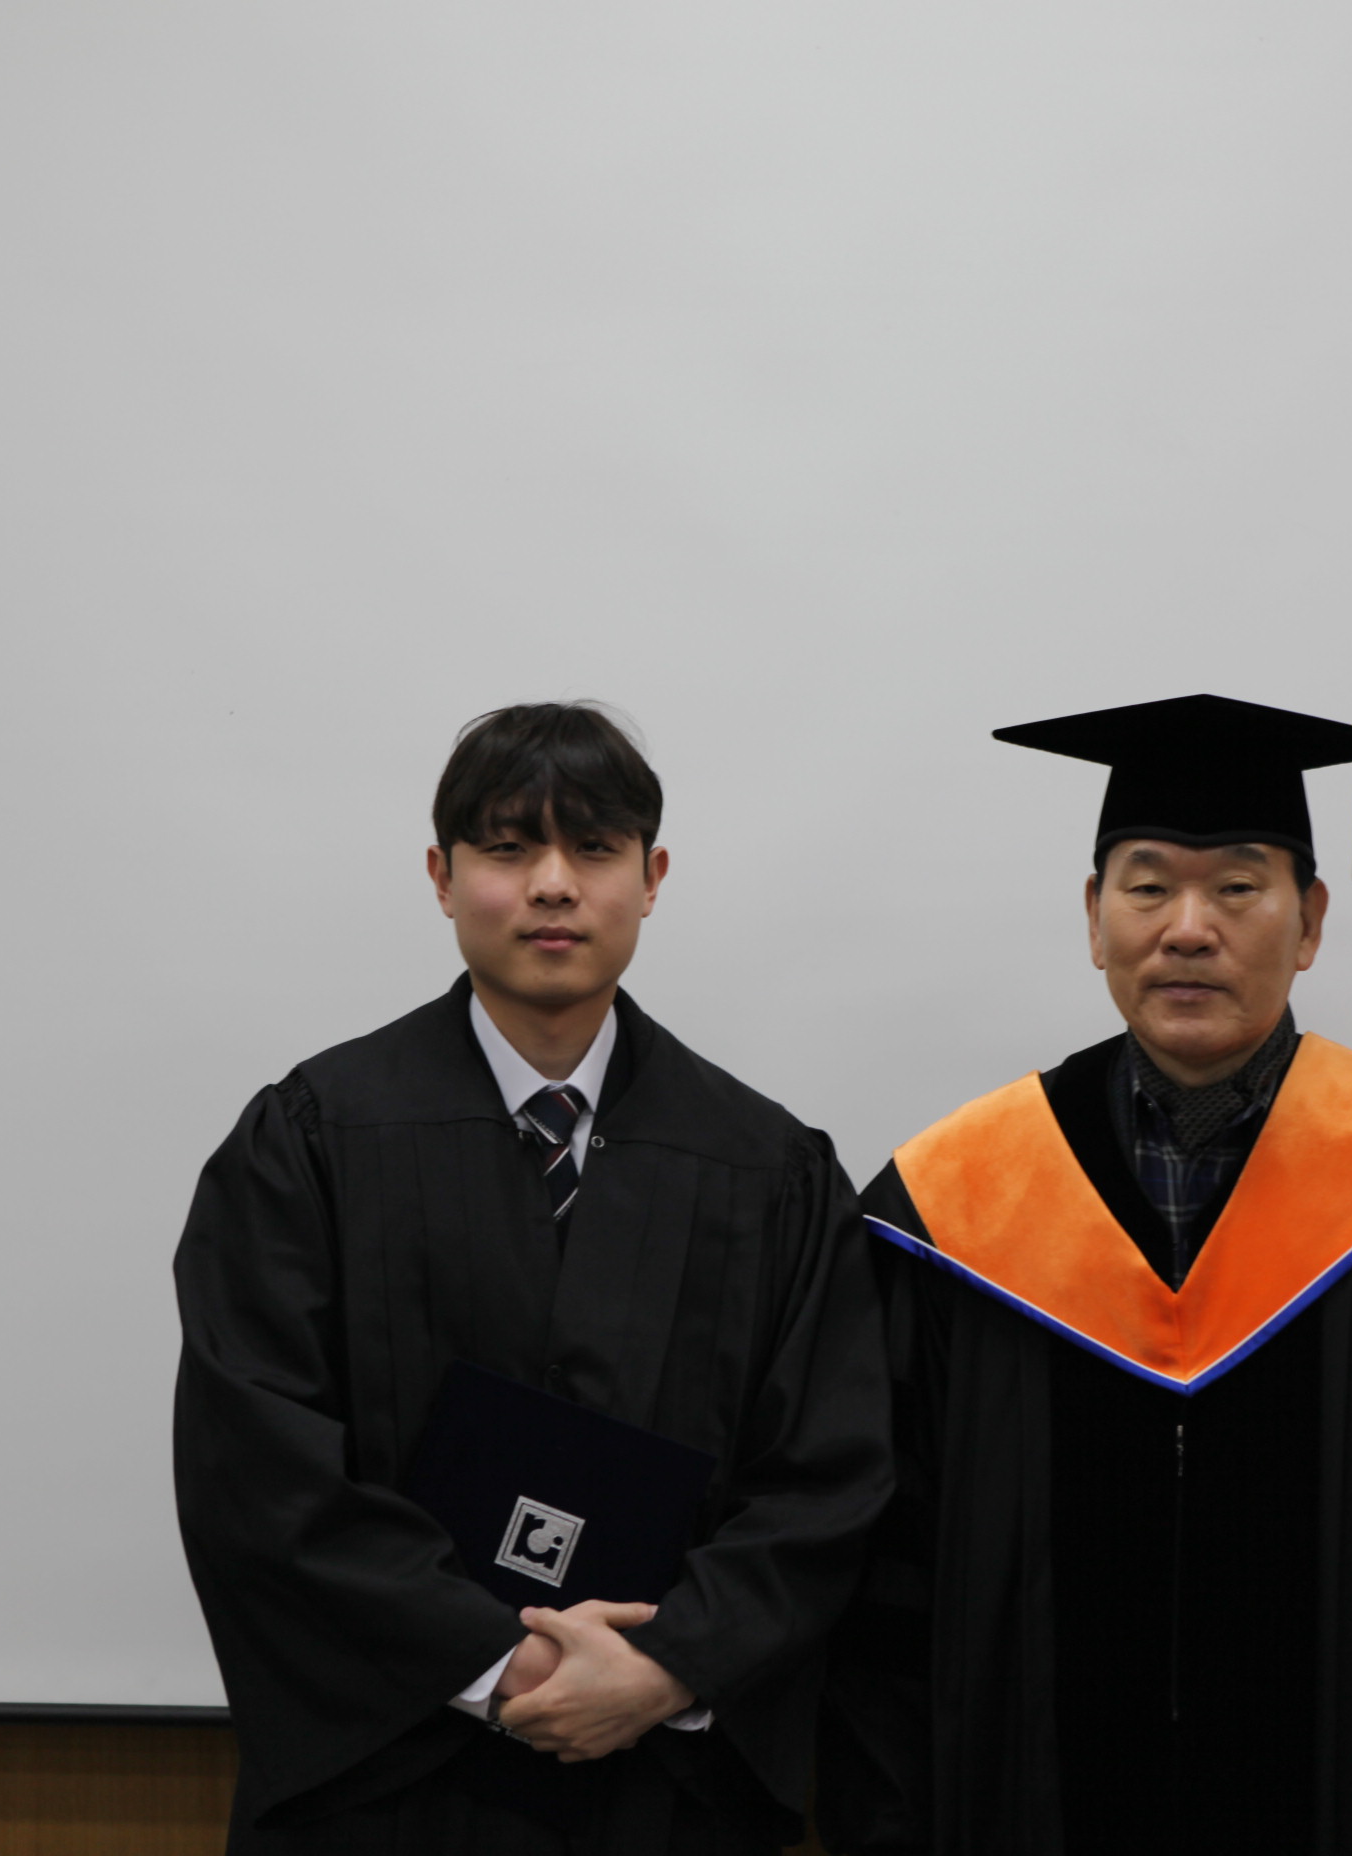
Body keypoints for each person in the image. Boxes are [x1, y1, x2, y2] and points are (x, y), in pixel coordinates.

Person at [818, 694, 1352, 1856]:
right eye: (1148, 886)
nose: (1189, 928)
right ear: (1093, 918)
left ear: (1310, 922)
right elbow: (880, 1584)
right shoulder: (948, 1207)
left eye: (1239, 887)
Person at [174, 701, 892, 1855]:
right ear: (442, 875)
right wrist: (497, 1662)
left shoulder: (770, 1168)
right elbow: (257, 1465)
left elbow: (827, 1479)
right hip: (385, 1791)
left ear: (652, 878)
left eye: (595, 847)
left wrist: (665, 1664)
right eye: (509, 847)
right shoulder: (310, 1140)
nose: (554, 884)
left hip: (664, 1789)